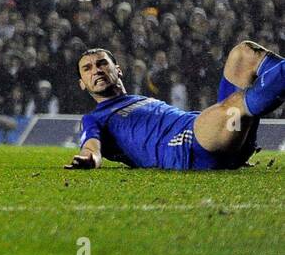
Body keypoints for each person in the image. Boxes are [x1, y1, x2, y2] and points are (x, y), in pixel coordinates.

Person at [65, 42, 285, 170]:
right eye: (88, 68)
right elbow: (91, 147)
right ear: (82, 84)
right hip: (191, 148)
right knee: (236, 105)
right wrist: (89, 158)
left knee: (244, 53)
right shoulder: (95, 118)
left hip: (221, 135)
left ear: (118, 70)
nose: (97, 70)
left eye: (102, 63)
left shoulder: (138, 99)